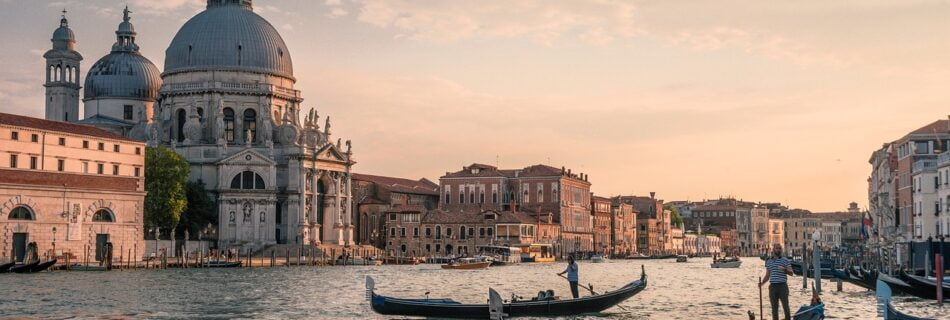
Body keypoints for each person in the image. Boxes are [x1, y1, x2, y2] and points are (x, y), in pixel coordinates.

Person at [759, 244, 793, 320]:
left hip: (782, 286)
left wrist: (784, 269)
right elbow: (767, 275)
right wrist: (762, 283)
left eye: (780, 248)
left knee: (785, 306)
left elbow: (791, 273)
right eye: (777, 248)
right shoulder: (768, 261)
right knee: (774, 308)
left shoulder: (785, 260)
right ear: (773, 250)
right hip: (773, 287)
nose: (779, 250)